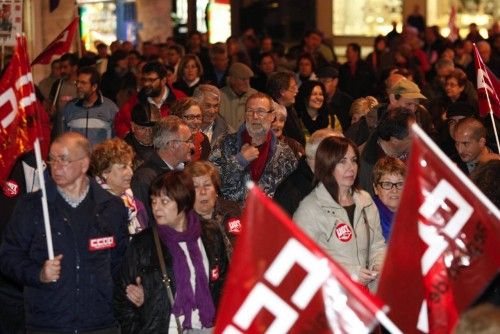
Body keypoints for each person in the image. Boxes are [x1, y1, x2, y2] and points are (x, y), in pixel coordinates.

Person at [0, 132, 129, 333]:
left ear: (84, 164)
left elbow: (120, 262)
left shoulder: (111, 207)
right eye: (52, 159)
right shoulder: (32, 206)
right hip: (48, 322)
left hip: (100, 323)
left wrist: (129, 287)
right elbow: (8, 257)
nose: (56, 166)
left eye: (64, 159)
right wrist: (38, 273)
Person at [114, 171, 227, 333]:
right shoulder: (144, 243)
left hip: (207, 327)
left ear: (184, 202)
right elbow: (122, 298)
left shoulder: (210, 233)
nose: (156, 208)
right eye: (153, 201)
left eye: (164, 202)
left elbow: (224, 282)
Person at [293, 136, 386, 291]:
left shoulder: (365, 200)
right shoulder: (309, 209)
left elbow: (377, 244)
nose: (351, 167)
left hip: (367, 295)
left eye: (354, 160)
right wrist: (349, 272)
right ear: (327, 165)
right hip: (331, 298)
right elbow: (303, 260)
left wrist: (378, 263)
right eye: (342, 161)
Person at [209, 92, 297, 203]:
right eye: (250, 111)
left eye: (261, 111)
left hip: (267, 216)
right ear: (245, 115)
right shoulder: (224, 142)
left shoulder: (285, 153)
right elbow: (211, 181)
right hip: (231, 214)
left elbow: (292, 192)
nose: (255, 116)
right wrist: (239, 160)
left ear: (272, 116)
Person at [131, 116, 194, 219]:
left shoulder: (184, 171)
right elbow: (147, 222)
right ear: (173, 145)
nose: (192, 146)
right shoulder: (144, 179)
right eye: (188, 141)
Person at [274, 128, 341, 216]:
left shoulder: (335, 180)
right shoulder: (289, 192)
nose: (342, 163)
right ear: (317, 157)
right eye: (336, 156)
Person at [90, 138, 149, 236]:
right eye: (123, 167)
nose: (131, 172)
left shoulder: (137, 205)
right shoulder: (94, 206)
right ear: (105, 172)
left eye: (130, 166)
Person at [185, 161, 241, 259]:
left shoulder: (232, 209)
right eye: (195, 187)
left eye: (207, 185)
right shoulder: (184, 222)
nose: (203, 191)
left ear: (215, 189)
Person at [115, 61, 186, 138]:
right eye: (144, 80)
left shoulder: (180, 98)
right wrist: (130, 137)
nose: (146, 84)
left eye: (151, 80)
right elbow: (120, 122)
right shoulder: (135, 101)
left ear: (163, 80)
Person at [63, 66, 119, 146]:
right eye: (77, 82)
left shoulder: (110, 108)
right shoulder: (70, 108)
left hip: (101, 158)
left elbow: (117, 140)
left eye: (83, 83)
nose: (78, 86)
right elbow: (63, 137)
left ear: (94, 87)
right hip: (76, 158)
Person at [371, 156, 406, 241]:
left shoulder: (417, 212)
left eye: (400, 184)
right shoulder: (368, 217)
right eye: (387, 184)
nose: (394, 190)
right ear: (376, 188)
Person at [267, 71, 305, 145]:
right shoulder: (270, 113)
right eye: (293, 88)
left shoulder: (290, 108)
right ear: (282, 91)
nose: (297, 91)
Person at [219, 62, 258, 131]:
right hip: (225, 138)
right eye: (243, 79)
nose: (247, 83)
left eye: (248, 79)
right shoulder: (220, 96)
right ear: (232, 80)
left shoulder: (254, 96)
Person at [124, 104, 156, 169]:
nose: (148, 133)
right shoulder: (124, 150)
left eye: (152, 128)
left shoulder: (164, 143)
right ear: (133, 126)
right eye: (143, 128)